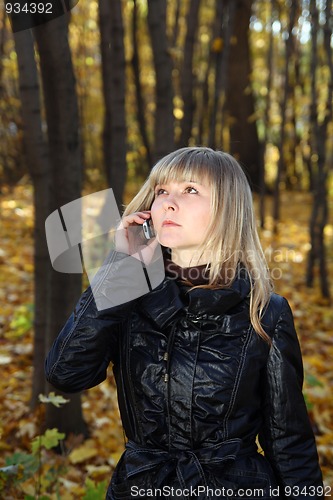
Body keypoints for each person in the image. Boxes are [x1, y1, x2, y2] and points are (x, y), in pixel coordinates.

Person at [45, 147, 323, 500]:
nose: (168, 203)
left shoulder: (265, 311)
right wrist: (120, 271)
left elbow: (288, 441)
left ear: (227, 210)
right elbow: (65, 374)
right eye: (162, 191)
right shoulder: (127, 295)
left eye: (190, 190)